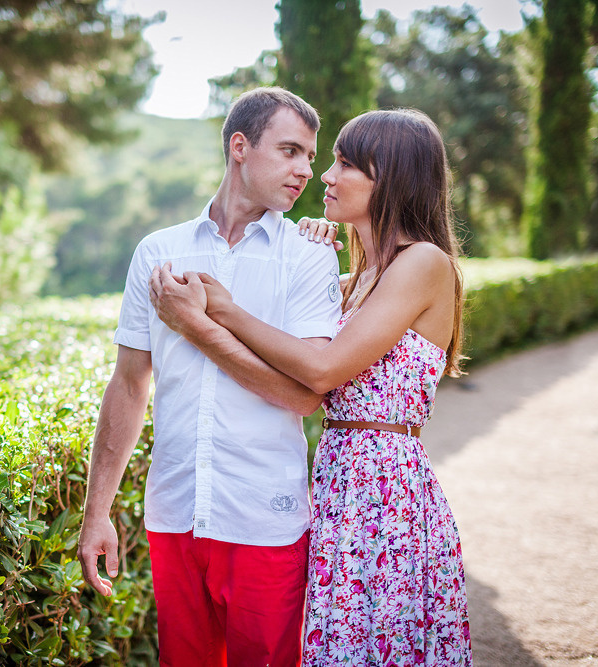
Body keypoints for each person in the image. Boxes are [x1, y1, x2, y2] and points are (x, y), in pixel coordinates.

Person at [149, 108, 473, 665]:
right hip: (339, 482)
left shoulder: (425, 263)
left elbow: (321, 371)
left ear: (390, 178)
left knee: (381, 645)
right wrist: (315, 250)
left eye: (346, 164)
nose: (325, 174)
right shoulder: (357, 279)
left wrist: (220, 312)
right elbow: (295, 342)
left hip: (385, 490)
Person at [76, 87, 343, 666]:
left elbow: (306, 395)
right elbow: (129, 384)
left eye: (310, 156)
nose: (306, 171)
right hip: (174, 511)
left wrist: (197, 327)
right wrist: (97, 511)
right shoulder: (159, 252)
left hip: (264, 516)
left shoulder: (309, 255)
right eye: (290, 151)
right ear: (240, 147)